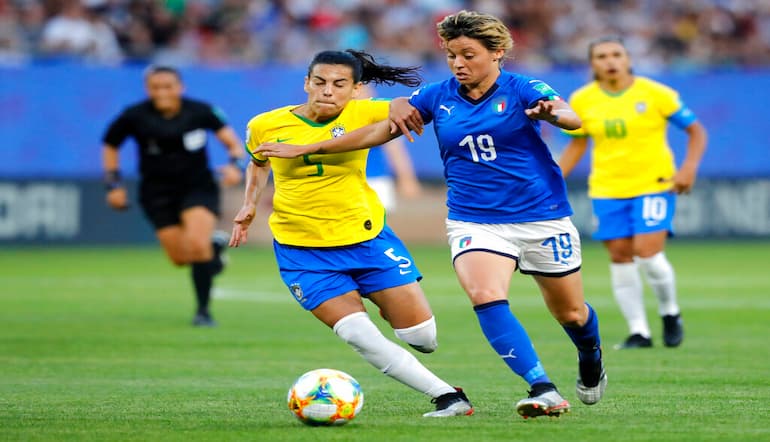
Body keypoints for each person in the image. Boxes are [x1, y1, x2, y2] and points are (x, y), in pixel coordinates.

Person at [256, 11, 606, 419]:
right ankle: (542, 388)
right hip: (473, 219)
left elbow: (571, 117)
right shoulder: (438, 96)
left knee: (571, 313)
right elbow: (379, 131)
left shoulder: (524, 88)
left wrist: (553, 114)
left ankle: (589, 354)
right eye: (452, 55)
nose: (458, 63)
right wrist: (310, 147)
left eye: (469, 55)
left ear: (498, 54)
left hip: (541, 216)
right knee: (485, 295)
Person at [229, 49, 474, 418]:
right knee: (359, 335)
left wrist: (397, 106)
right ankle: (447, 396)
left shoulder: (362, 111)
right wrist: (249, 204)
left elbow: (408, 103)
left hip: (366, 239)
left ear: (356, 89)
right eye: (320, 82)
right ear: (306, 83)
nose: (328, 91)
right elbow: (258, 161)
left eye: (339, 84)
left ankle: (393, 309)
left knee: (422, 339)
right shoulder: (264, 123)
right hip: (303, 251)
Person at [558, 36, 708, 349]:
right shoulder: (583, 99)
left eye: (616, 54)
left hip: (653, 182)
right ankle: (639, 331)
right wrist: (553, 178)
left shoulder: (655, 93)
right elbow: (577, 143)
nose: (610, 61)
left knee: (648, 253)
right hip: (607, 187)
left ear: (628, 59)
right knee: (620, 257)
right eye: (601, 56)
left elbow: (695, 130)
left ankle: (670, 312)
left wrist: (689, 168)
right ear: (592, 64)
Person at [102, 65, 245, 327]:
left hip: (197, 186)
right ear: (148, 89)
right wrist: (113, 184)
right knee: (181, 258)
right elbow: (111, 144)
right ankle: (213, 251)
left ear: (180, 87)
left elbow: (233, 143)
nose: (162, 92)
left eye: (168, 86)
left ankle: (203, 312)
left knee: (196, 245)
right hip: (156, 192)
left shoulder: (201, 111)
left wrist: (235, 165)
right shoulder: (134, 116)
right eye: (155, 87)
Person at [361, 85, 422, 212]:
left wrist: (407, 180)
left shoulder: (380, 117)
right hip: (345, 181)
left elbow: (395, 151)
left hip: (376, 181)